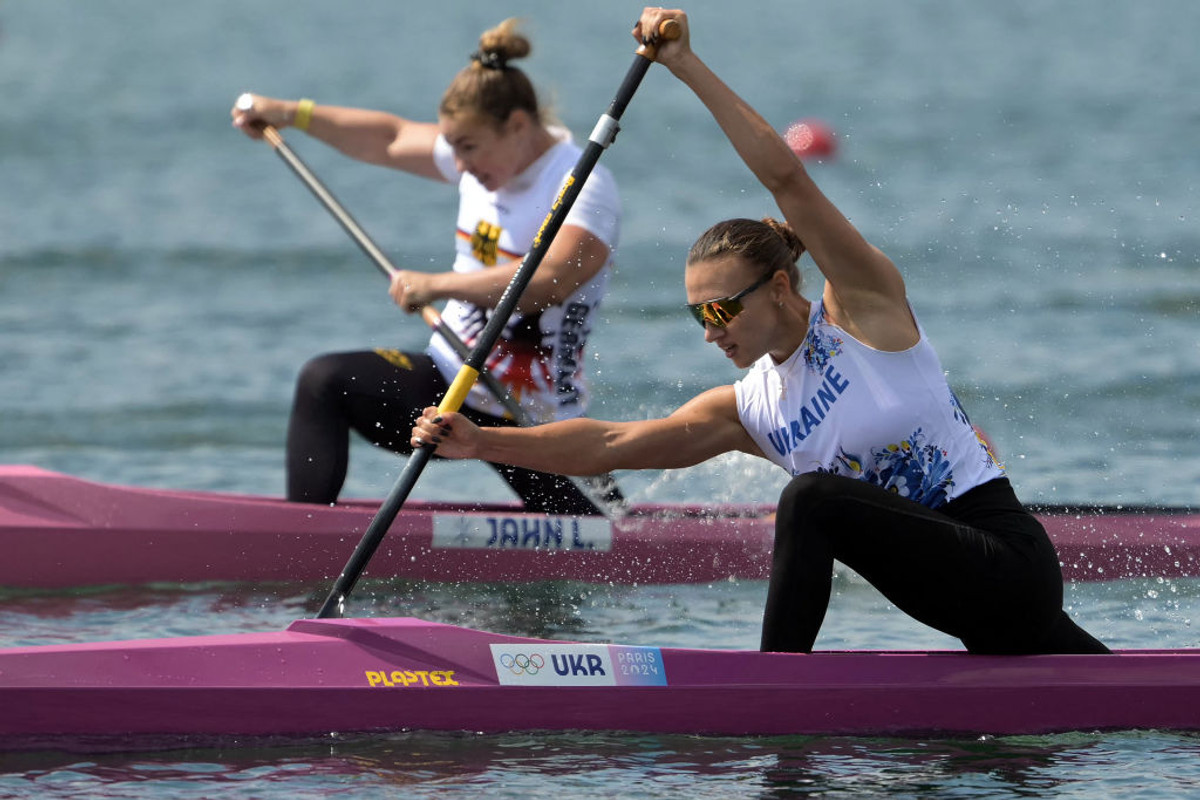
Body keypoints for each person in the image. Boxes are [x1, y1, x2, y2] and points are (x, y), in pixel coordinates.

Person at [411, 8, 1110, 655]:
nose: (710, 332)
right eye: (698, 316)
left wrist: (684, 64)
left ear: (778, 288)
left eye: (720, 310)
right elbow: (611, 444)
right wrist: (482, 442)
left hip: (1008, 562)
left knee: (810, 498)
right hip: (954, 602)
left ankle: (777, 682)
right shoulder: (753, 406)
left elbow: (788, 181)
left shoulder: (862, 311)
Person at [231, 19, 622, 515]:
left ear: (518, 126)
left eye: (468, 148)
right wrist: (289, 114)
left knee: (608, 534)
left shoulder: (581, 184)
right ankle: (302, 539)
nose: (458, 165)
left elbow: (550, 281)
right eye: (451, 147)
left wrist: (439, 285)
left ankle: (613, 520)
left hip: (530, 417)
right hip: (450, 386)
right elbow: (389, 138)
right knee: (324, 380)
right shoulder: (484, 154)